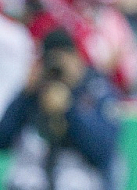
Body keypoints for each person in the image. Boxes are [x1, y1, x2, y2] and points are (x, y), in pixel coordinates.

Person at [0, 29, 124, 190]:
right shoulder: (33, 92)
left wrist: (70, 108)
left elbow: (103, 150)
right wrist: (25, 95)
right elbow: (2, 140)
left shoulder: (95, 88)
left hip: (78, 177)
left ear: (76, 58)